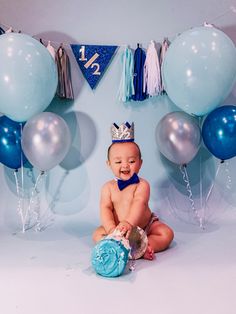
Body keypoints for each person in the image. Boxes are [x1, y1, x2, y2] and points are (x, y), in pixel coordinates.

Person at [92, 122, 174, 260]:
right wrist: (112, 230)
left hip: (145, 226)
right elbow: (105, 209)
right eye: (118, 162)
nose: (125, 165)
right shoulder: (107, 188)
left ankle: (146, 245)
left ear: (140, 163)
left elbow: (139, 203)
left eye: (131, 161)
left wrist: (129, 223)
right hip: (119, 230)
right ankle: (119, 245)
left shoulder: (142, 185)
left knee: (166, 233)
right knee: (96, 235)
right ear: (109, 164)